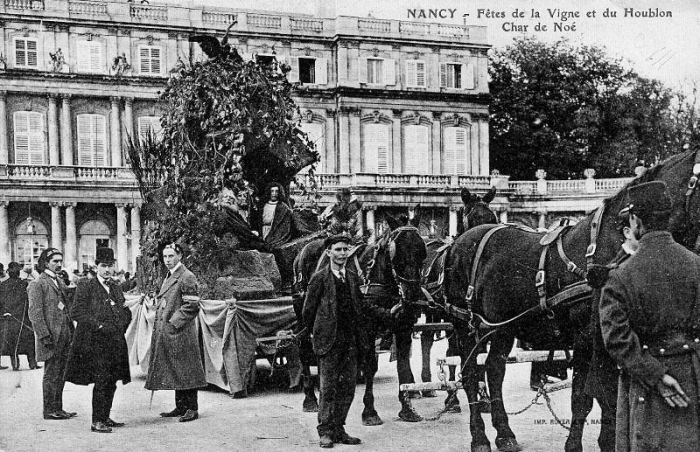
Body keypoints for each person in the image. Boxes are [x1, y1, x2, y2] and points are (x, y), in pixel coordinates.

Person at [600, 181, 699, 452]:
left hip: (647, 387)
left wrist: (657, 376)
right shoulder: (696, 265)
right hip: (693, 378)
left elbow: (617, 341)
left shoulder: (620, 277)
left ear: (634, 220)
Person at [302, 235, 366, 448]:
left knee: (348, 388)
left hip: (350, 342)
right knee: (328, 388)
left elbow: (361, 306)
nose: (342, 254)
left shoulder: (352, 277)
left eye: (345, 250)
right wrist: (318, 334)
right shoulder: (319, 278)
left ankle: (339, 429)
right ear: (328, 253)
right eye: (337, 250)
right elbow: (307, 312)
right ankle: (325, 431)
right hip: (329, 342)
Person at [64, 248, 131, 433]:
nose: (107, 270)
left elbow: (124, 311)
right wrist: (99, 326)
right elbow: (76, 312)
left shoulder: (116, 287)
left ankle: (106, 416)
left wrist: (122, 324)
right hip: (96, 343)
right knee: (101, 380)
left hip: (115, 342)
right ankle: (97, 421)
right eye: (103, 266)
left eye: (110, 266)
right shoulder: (86, 286)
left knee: (112, 380)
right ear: (96, 267)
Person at [145, 243, 206, 423]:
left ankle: (192, 408)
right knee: (176, 369)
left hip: (182, 332)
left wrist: (173, 324)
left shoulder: (187, 276)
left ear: (180, 256)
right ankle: (180, 406)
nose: (167, 260)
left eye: (171, 256)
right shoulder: (170, 276)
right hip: (172, 332)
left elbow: (192, 305)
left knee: (187, 369)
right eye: (165, 257)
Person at [27, 248, 77, 420]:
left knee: (61, 372)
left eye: (60, 261)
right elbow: (34, 313)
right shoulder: (38, 284)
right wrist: (44, 335)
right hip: (50, 337)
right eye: (55, 261)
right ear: (45, 262)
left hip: (64, 334)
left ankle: (58, 408)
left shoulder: (58, 281)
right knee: (51, 373)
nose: (58, 264)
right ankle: (49, 410)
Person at [1, 262, 39, 371]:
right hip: (23, 317)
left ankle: (15, 365)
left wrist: (4, 313)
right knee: (28, 341)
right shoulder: (24, 284)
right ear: (19, 272)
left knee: (13, 341)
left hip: (10, 318)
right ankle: (32, 363)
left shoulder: (3, 285)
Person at [258, 182, 297, 248]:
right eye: (272, 191)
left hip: (276, 232)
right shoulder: (263, 205)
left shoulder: (283, 206)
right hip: (263, 231)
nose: (274, 194)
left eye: (276, 191)